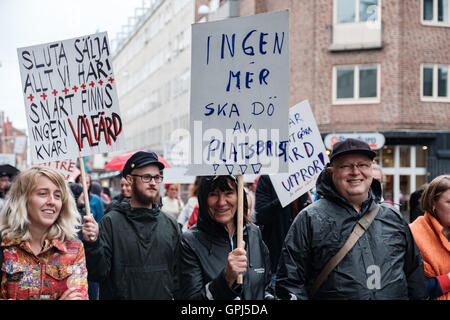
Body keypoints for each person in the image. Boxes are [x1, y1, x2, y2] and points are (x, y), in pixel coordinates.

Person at [275, 138, 428, 300]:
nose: (355, 172)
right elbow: (290, 282)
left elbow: (414, 274)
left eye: (362, 165)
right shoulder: (310, 219)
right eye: (345, 166)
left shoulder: (392, 217)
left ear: (370, 169)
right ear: (331, 172)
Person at [82, 151, 181, 299]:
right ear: (129, 179)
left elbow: (178, 279)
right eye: (146, 177)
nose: (153, 182)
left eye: (157, 177)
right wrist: (92, 244)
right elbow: (97, 273)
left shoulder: (170, 224)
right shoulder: (111, 223)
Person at [0, 166, 88, 300]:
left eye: (57, 196)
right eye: (43, 193)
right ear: (22, 199)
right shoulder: (4, 246)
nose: (52, 201)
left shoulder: (74, 249)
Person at [179, 175, 273, 300]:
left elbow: (264, 287)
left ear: (239, 197)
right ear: (203, 198)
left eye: (229, 193)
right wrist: (226, 279)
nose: (221, 202)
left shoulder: (254, 233)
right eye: (213, 194)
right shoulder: (190, 242)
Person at [254, 175, 310, 278]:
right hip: (277, 260)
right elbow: (261, 215)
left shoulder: (302, 179)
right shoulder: (267, 178)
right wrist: (286, 196)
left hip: (302, 262)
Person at [409, 175, 450, 300]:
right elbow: (408, 289)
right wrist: (447, 280)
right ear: (433, 203)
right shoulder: (413, 234)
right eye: (449, 202)